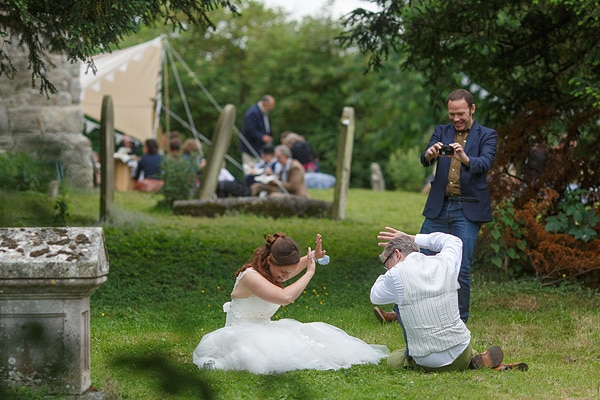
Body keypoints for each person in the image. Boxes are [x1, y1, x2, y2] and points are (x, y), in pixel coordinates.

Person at [374, 89, 497, 324]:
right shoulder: (442, 130)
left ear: (472, 109)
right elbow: (424, 158)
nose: (456, 119)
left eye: (460, 113)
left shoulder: (487, 135)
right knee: (414, 258)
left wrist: (465, 158)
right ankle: (400, 313)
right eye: (452, 114)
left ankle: (459, 319)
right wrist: (430, 154)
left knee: (460, 267)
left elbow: (486, 163)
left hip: (467, 209)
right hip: (439, 205)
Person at [193, 233, 389, 374]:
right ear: (270, 259)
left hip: (265, 328)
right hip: (239, 334)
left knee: (314, 344)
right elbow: (285, 297)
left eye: (290, 271)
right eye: (283, 271)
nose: (285, 276)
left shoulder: (272, 271)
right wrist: (310, 272)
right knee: (254, 360)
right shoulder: (251, 277)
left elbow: (292, 270)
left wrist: (313, 257)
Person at [370, 227, 527, 372]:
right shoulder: (445, 262)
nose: (387, 268)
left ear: (397, 254)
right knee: (460, 347)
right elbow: (453, 241)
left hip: (428, 362)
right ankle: (473, 359)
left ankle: (456, 362)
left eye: (386, 263)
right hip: (461, 350)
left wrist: (391, 271)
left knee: (394, 358)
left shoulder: (396, 274)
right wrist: (413, 238)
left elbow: (375, 296)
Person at [240, 95, 275, 168]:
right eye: (270, 106)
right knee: (251, 170)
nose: (272, 108)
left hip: (259, 148)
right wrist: (262, 137)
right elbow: (249, 129)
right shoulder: (253, 112)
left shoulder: (263, 112)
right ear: (264, 103)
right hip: (250, 148)